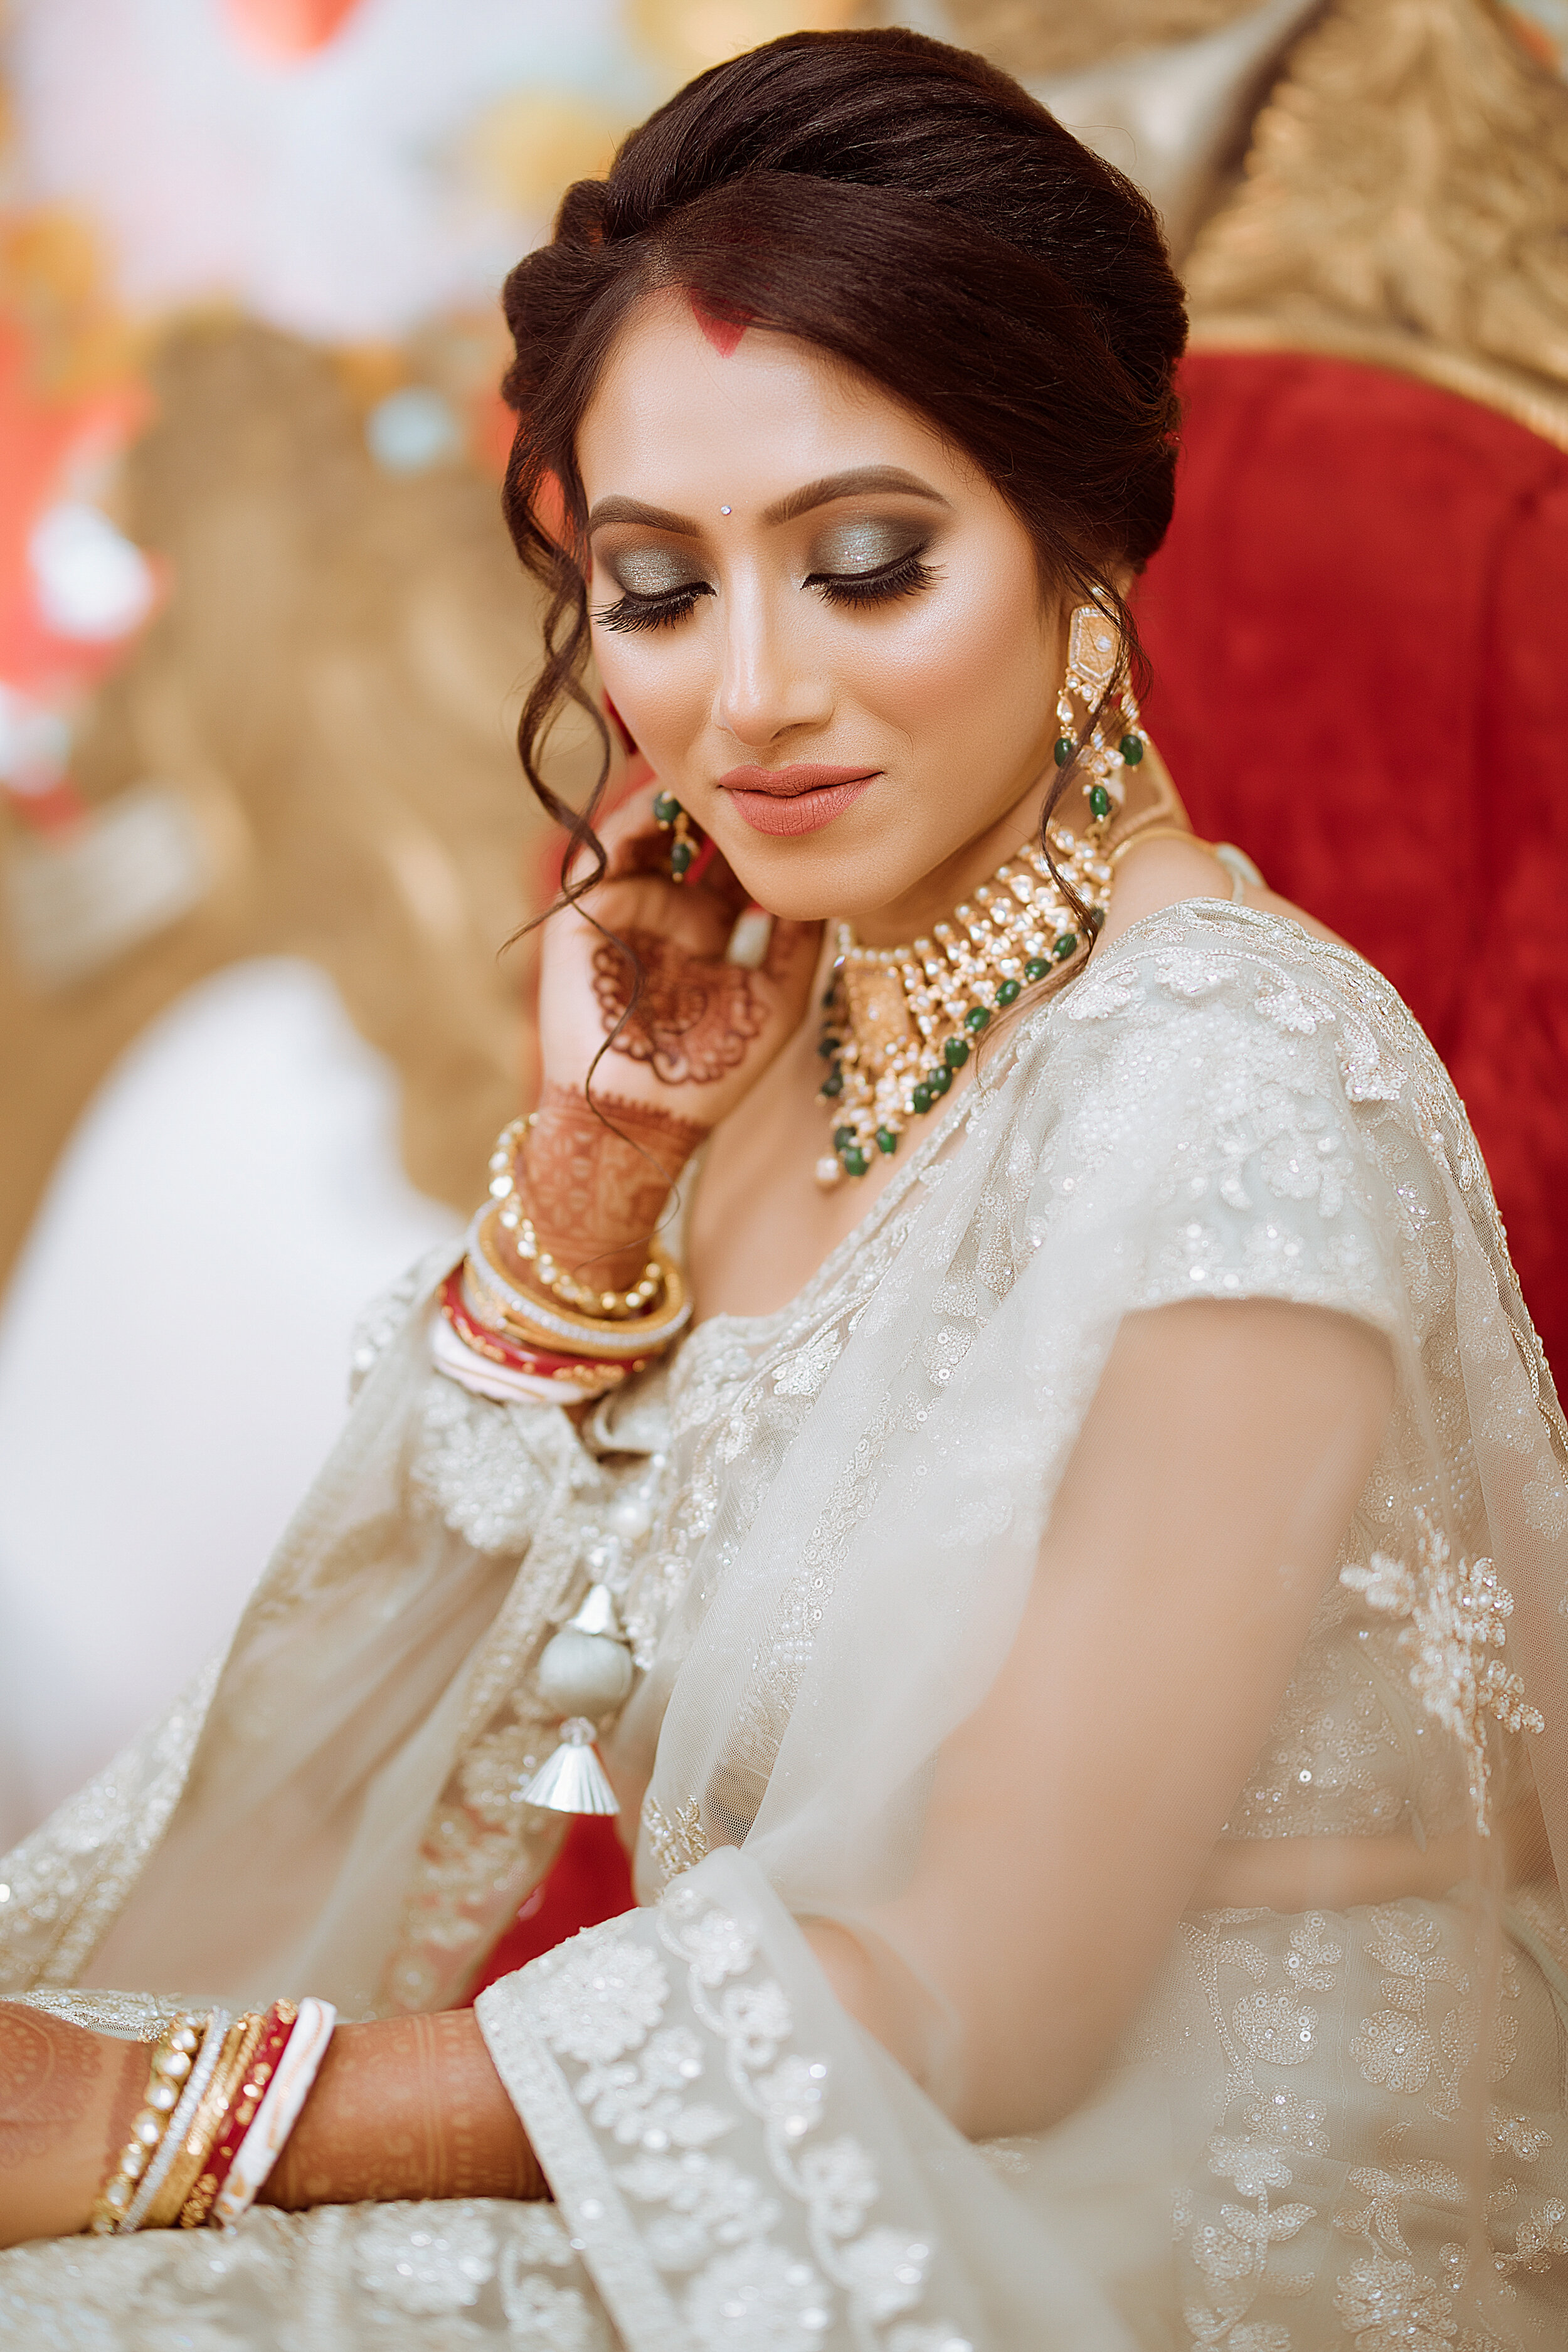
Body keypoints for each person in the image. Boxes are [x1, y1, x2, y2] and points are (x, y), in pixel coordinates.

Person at [3, 28, 1566, 2349]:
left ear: (1080, 552)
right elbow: (450, 1731)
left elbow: (997, 1990)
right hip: (861, 2184)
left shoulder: (1237, 1085)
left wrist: (192, 2119)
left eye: (861, 566)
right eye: (656, 589)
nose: (748, 699)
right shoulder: (785, 1053)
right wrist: (597, 1173)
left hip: (1180, 2252)